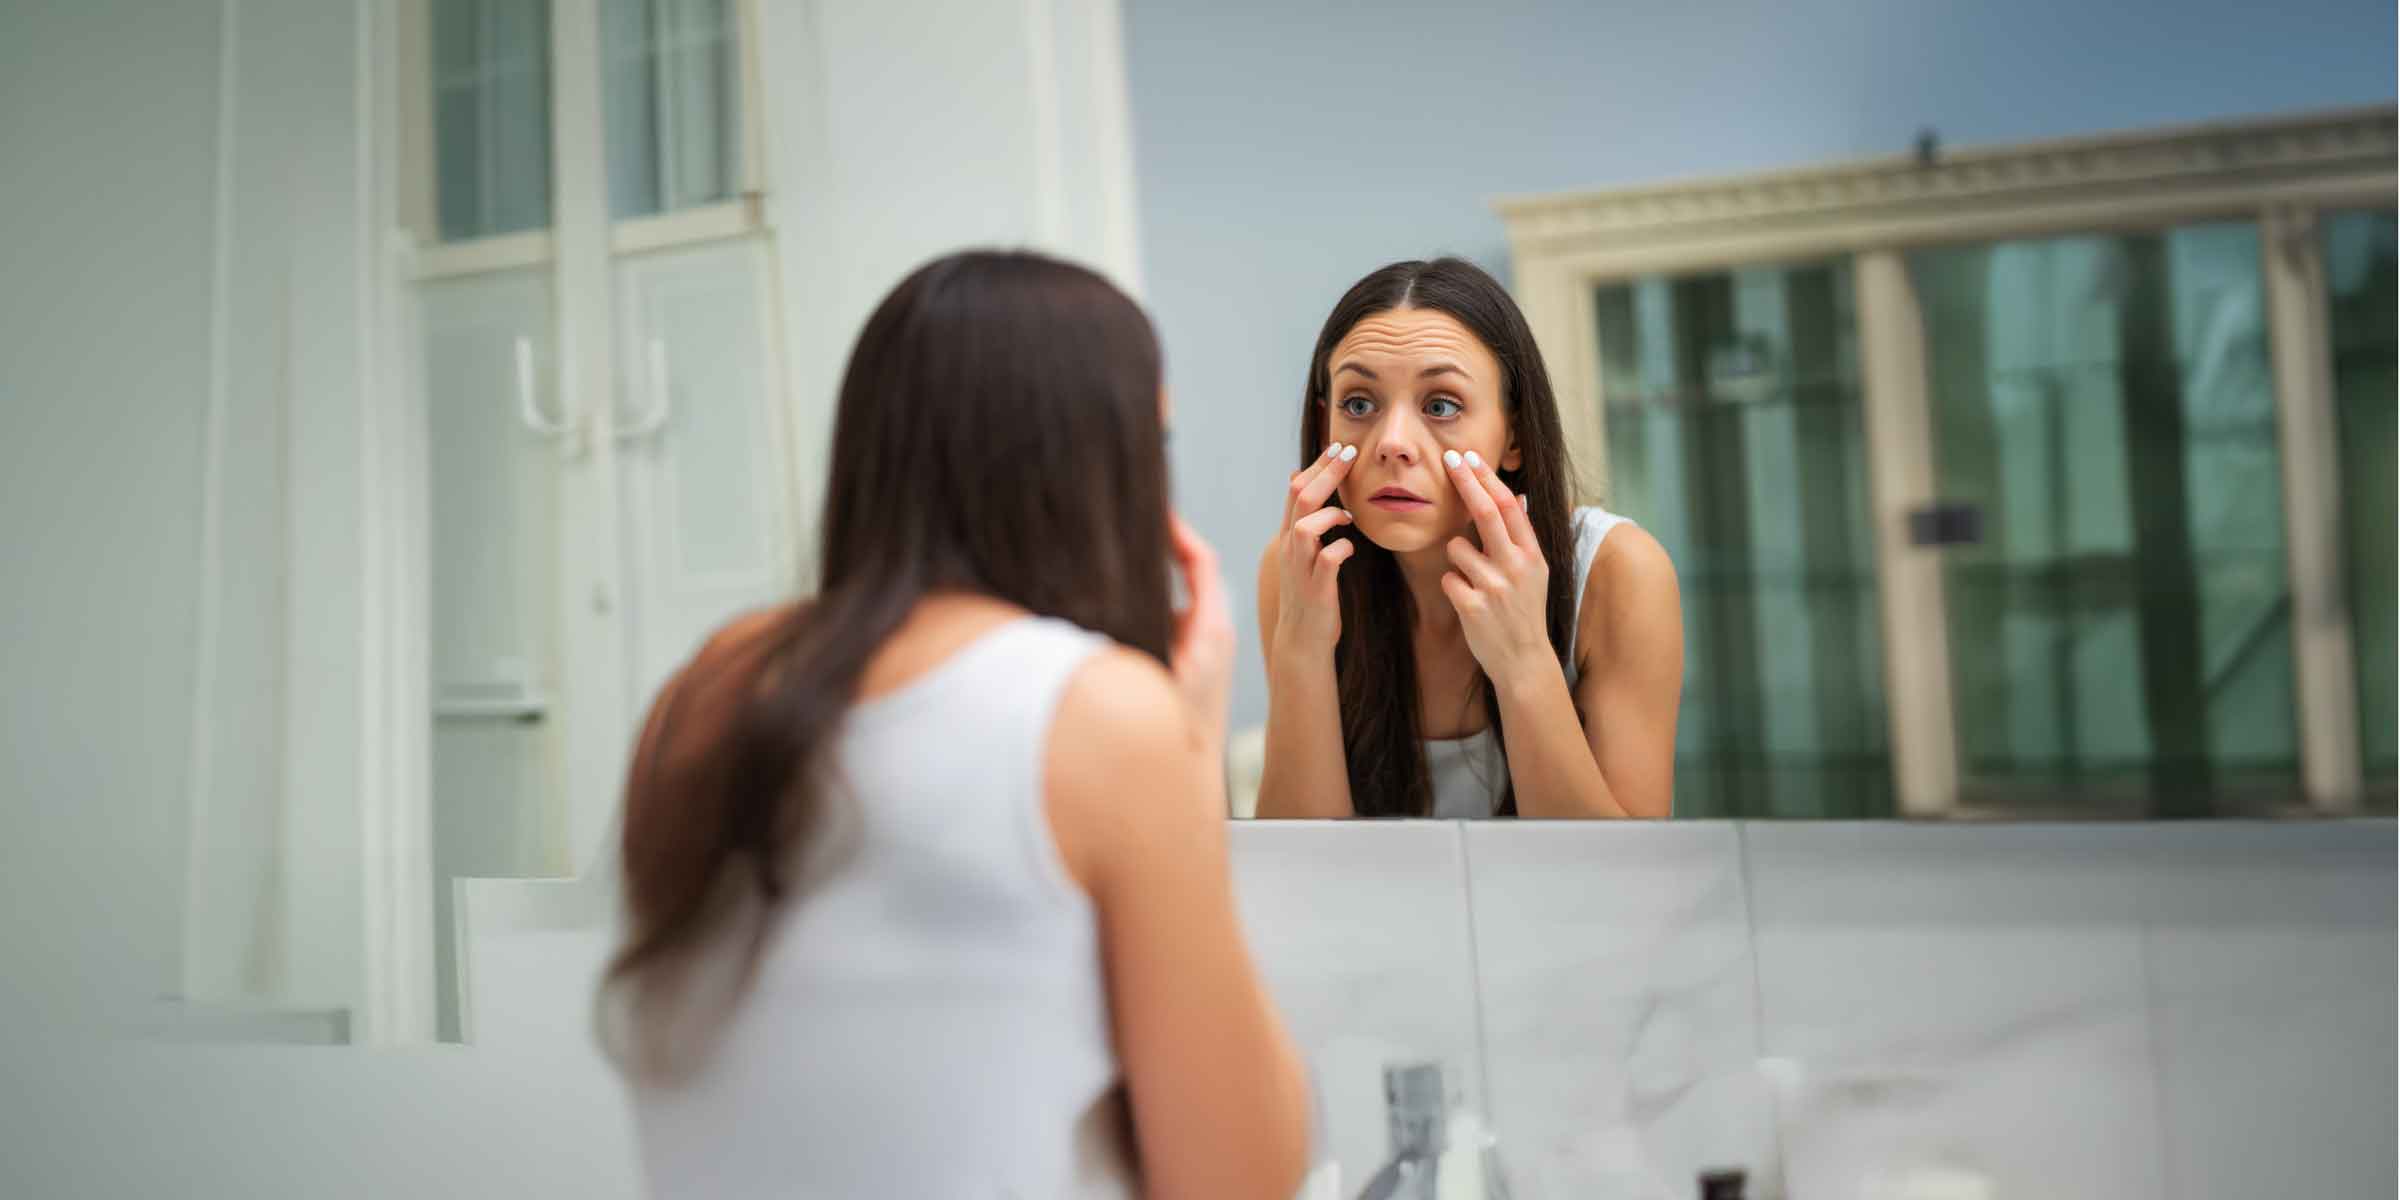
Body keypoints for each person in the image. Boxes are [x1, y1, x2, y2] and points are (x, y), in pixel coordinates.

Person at [598, 251, 1311, 1199]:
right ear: (1100, 467)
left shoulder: (704, 691)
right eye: (1155, 448)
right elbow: (1241, 1182)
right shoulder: (1097, 715)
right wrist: (1189, 739)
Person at [1255, 258, 1684, 819]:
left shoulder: (1617, 572)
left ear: (1514, 437)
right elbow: (1302, 870)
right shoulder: (1299, 570)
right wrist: (1302, 652)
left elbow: (1625, 882)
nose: (1393, 443)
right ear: (1324, 425)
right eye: (1358, 404)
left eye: (1441, 405)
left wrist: (1524, 660)